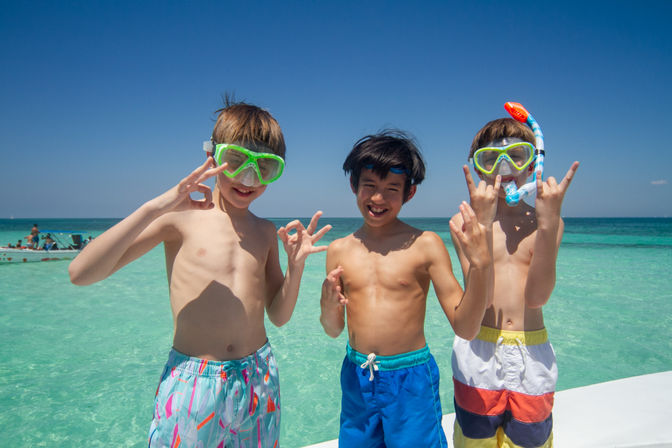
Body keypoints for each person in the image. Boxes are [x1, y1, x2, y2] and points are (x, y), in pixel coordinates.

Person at [68, 100, 331, 448]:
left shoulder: (265, 231)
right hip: (194, 380)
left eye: (265, 167)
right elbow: (81, 272)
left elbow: (279, 316)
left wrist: (296, 268)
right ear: (212, 155)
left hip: (259, 376)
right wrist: (157, 206)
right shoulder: (179, 219)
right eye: (237, 161)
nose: (249, 178)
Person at [320, 130, 494, 448]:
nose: (377, 199)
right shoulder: (338, 250)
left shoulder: (425, 245)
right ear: (353, 186)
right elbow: (333, 330)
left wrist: (480, 266)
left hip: (410, 379)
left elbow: (466, 327)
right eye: (369, 186)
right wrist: (328, 305)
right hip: (358, 375)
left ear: (409, 193)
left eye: (391, 190)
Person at [449, 117, 579, 447]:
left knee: (529, 441)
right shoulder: (464, 224)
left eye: (517, 155)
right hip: (480, 351)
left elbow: (537, 297)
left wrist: (548, 227)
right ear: (479, 169)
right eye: (491, 158)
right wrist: (483, 222)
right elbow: (482, 300)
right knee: (474, 440)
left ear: (533, 162)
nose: (504, 166)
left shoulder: (548, 222)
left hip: (531, 353)